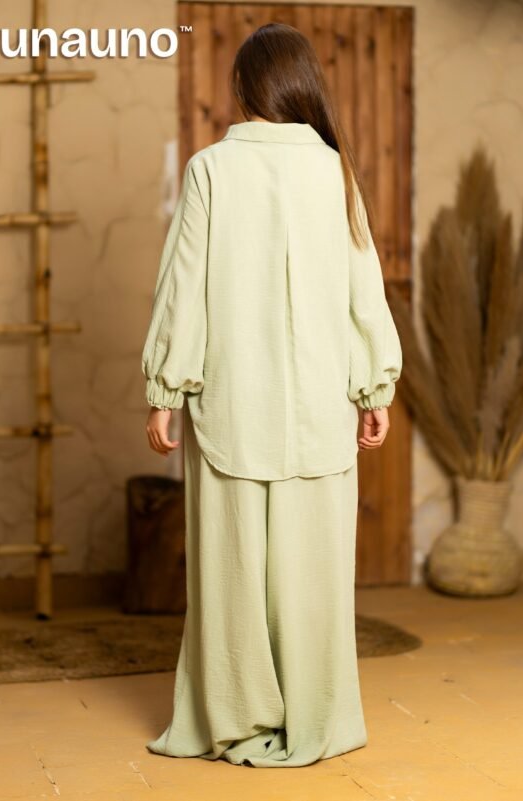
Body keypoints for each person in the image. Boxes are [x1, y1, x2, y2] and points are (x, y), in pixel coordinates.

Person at [140, 22, 402, 768]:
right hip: (322, 407)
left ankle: (233, 719)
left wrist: (165, 391)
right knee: (314, 578)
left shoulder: (211, 170)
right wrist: (373, 387)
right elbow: (364, 288)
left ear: (243, 88)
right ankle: (317, 719)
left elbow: (184, 286)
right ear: (300, 84)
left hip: (230, 405)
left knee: (230, 578)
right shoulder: (335, 171)